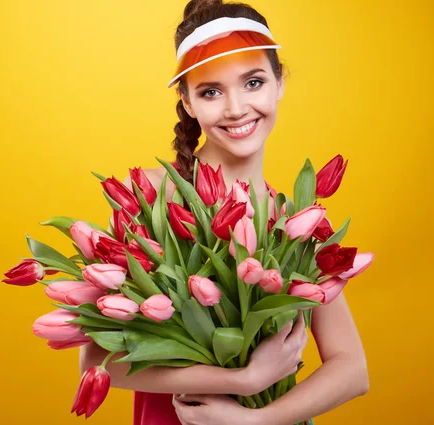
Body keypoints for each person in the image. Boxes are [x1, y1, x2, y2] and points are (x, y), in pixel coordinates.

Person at [79, 1, 369, 424]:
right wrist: (244, 381)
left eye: (253, 82)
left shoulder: (295, 222)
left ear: (279, 82)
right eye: (210, 91)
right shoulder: (147, 198)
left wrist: (255, 419)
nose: (235, 109)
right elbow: (101, 358)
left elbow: (352, 369)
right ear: (187, 101)